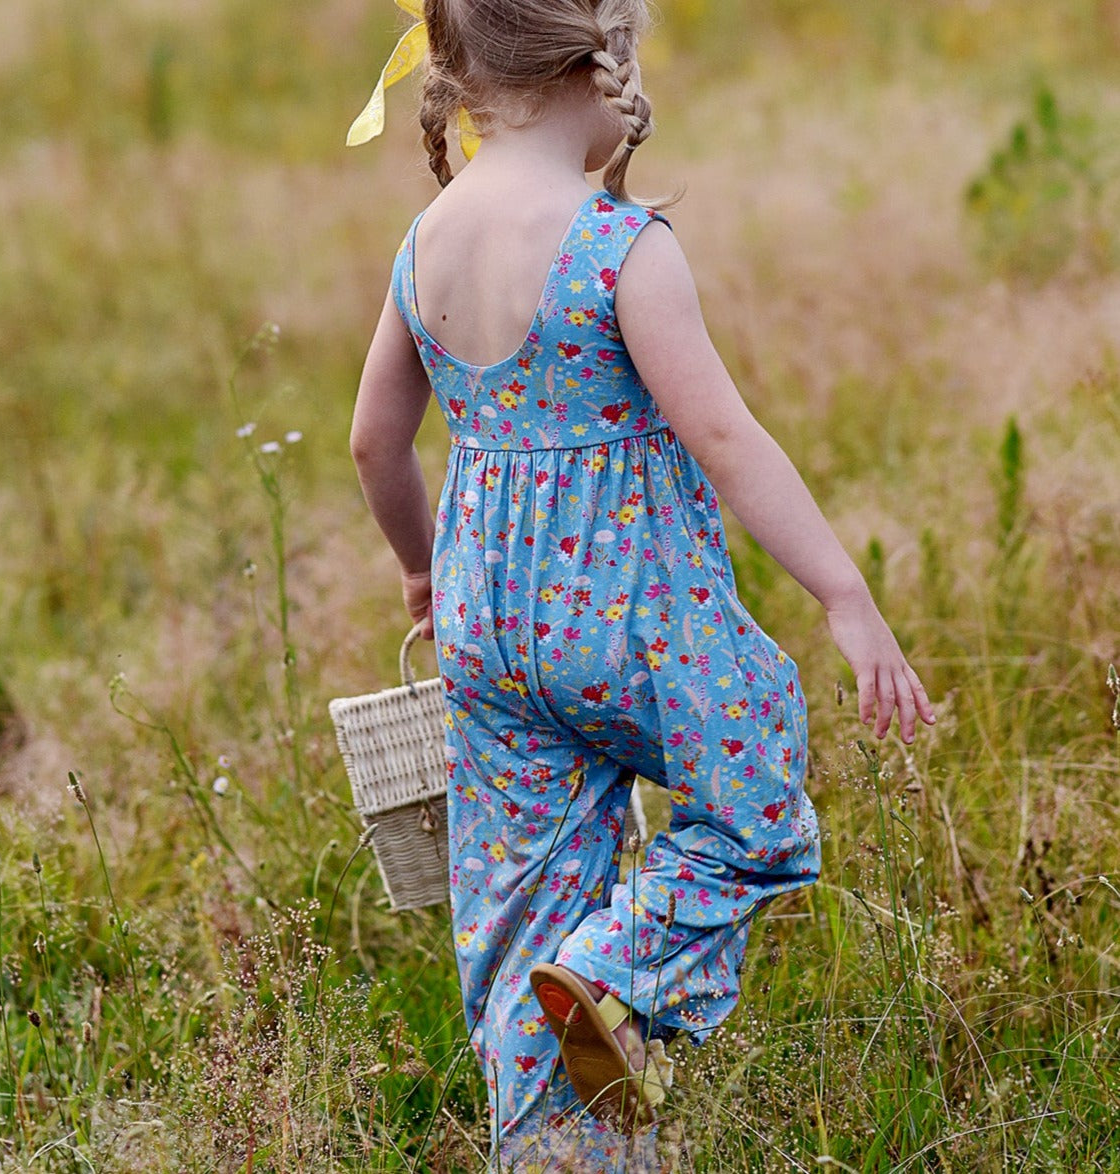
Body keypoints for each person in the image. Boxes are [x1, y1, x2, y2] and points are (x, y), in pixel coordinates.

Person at [349, 2, 935, 1169]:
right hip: (634, 622)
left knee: (520, 911)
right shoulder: (618, 246)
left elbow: (373, 441)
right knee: (755, 802)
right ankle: (613, 971)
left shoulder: (425, 243)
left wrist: (422, 571)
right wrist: (843, 594)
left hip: (486, 632)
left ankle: (557, 1146)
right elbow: (723, 437)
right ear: (597, 61)